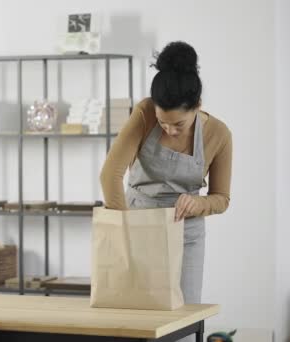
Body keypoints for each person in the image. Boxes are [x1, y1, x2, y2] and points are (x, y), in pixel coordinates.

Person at [101, 41, 232, 342]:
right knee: (133, 323)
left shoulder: (219, 134)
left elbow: (222, 198)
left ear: (198, 107)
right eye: (163, 122)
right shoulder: (145, 112)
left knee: (182, 323)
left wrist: (198, 203)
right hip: (137, 225)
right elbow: (111, 175)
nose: (169, 130)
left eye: (179, 124)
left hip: (185, 234)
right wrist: (126, 231)